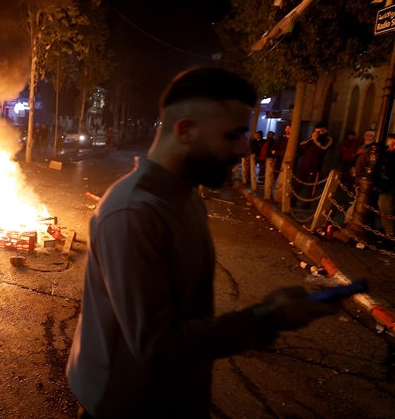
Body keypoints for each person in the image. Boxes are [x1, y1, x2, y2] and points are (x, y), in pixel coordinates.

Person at [66, 68, 336, 419]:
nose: (244, 147)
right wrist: (268, 317)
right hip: (126, 406)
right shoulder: (132, 212)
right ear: (185, 130)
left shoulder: (187, 196)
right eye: (233, 134)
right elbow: (157, 345)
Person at [291, 123, 332, 208]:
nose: (317, 133)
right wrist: (312, 139)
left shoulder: (328, 139)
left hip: (314, 167)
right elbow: (302, 146)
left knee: (311, 187)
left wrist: (316, 141)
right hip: (303, 165)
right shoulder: (311, 138)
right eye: (316, 131)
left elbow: (322, 150)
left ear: (325, 131)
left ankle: (307, 203)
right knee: (297, 184)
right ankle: (293, 201)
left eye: (320, 131)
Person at [380, 134, 395, 240]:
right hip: (378, 184)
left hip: (389, 186)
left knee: (386, 207)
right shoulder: (381, 154)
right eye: (392, 144)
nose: (393, 147)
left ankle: (390, 232)